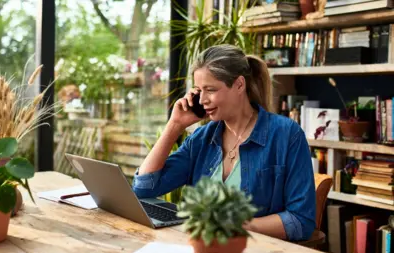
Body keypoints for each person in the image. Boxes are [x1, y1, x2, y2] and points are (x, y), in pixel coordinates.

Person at [132, 44, 316, 242]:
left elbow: (300, 221)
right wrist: (174, 125)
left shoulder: (286, 134)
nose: (202, 100)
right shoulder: (201, 139)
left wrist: (234, 225)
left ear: (239, 85)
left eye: (210, 90)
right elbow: (143, 189)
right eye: (198, 90)